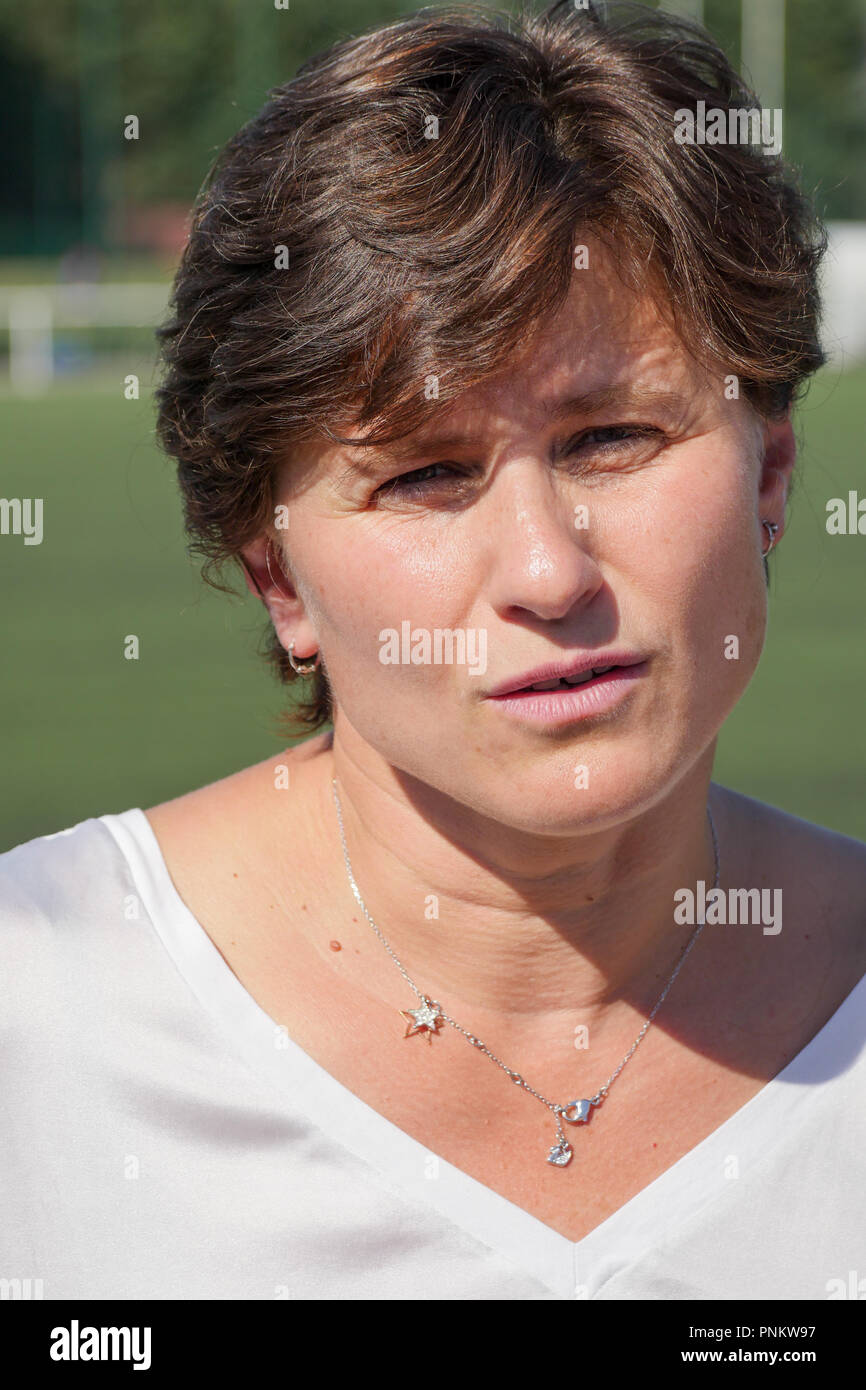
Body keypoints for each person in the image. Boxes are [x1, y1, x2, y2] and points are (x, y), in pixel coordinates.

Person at [2, 0, 864, 1301]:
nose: (546, 569)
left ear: (767, 476)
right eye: (423, 474)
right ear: (277, 572)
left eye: (611, 437)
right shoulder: (38, 1022)